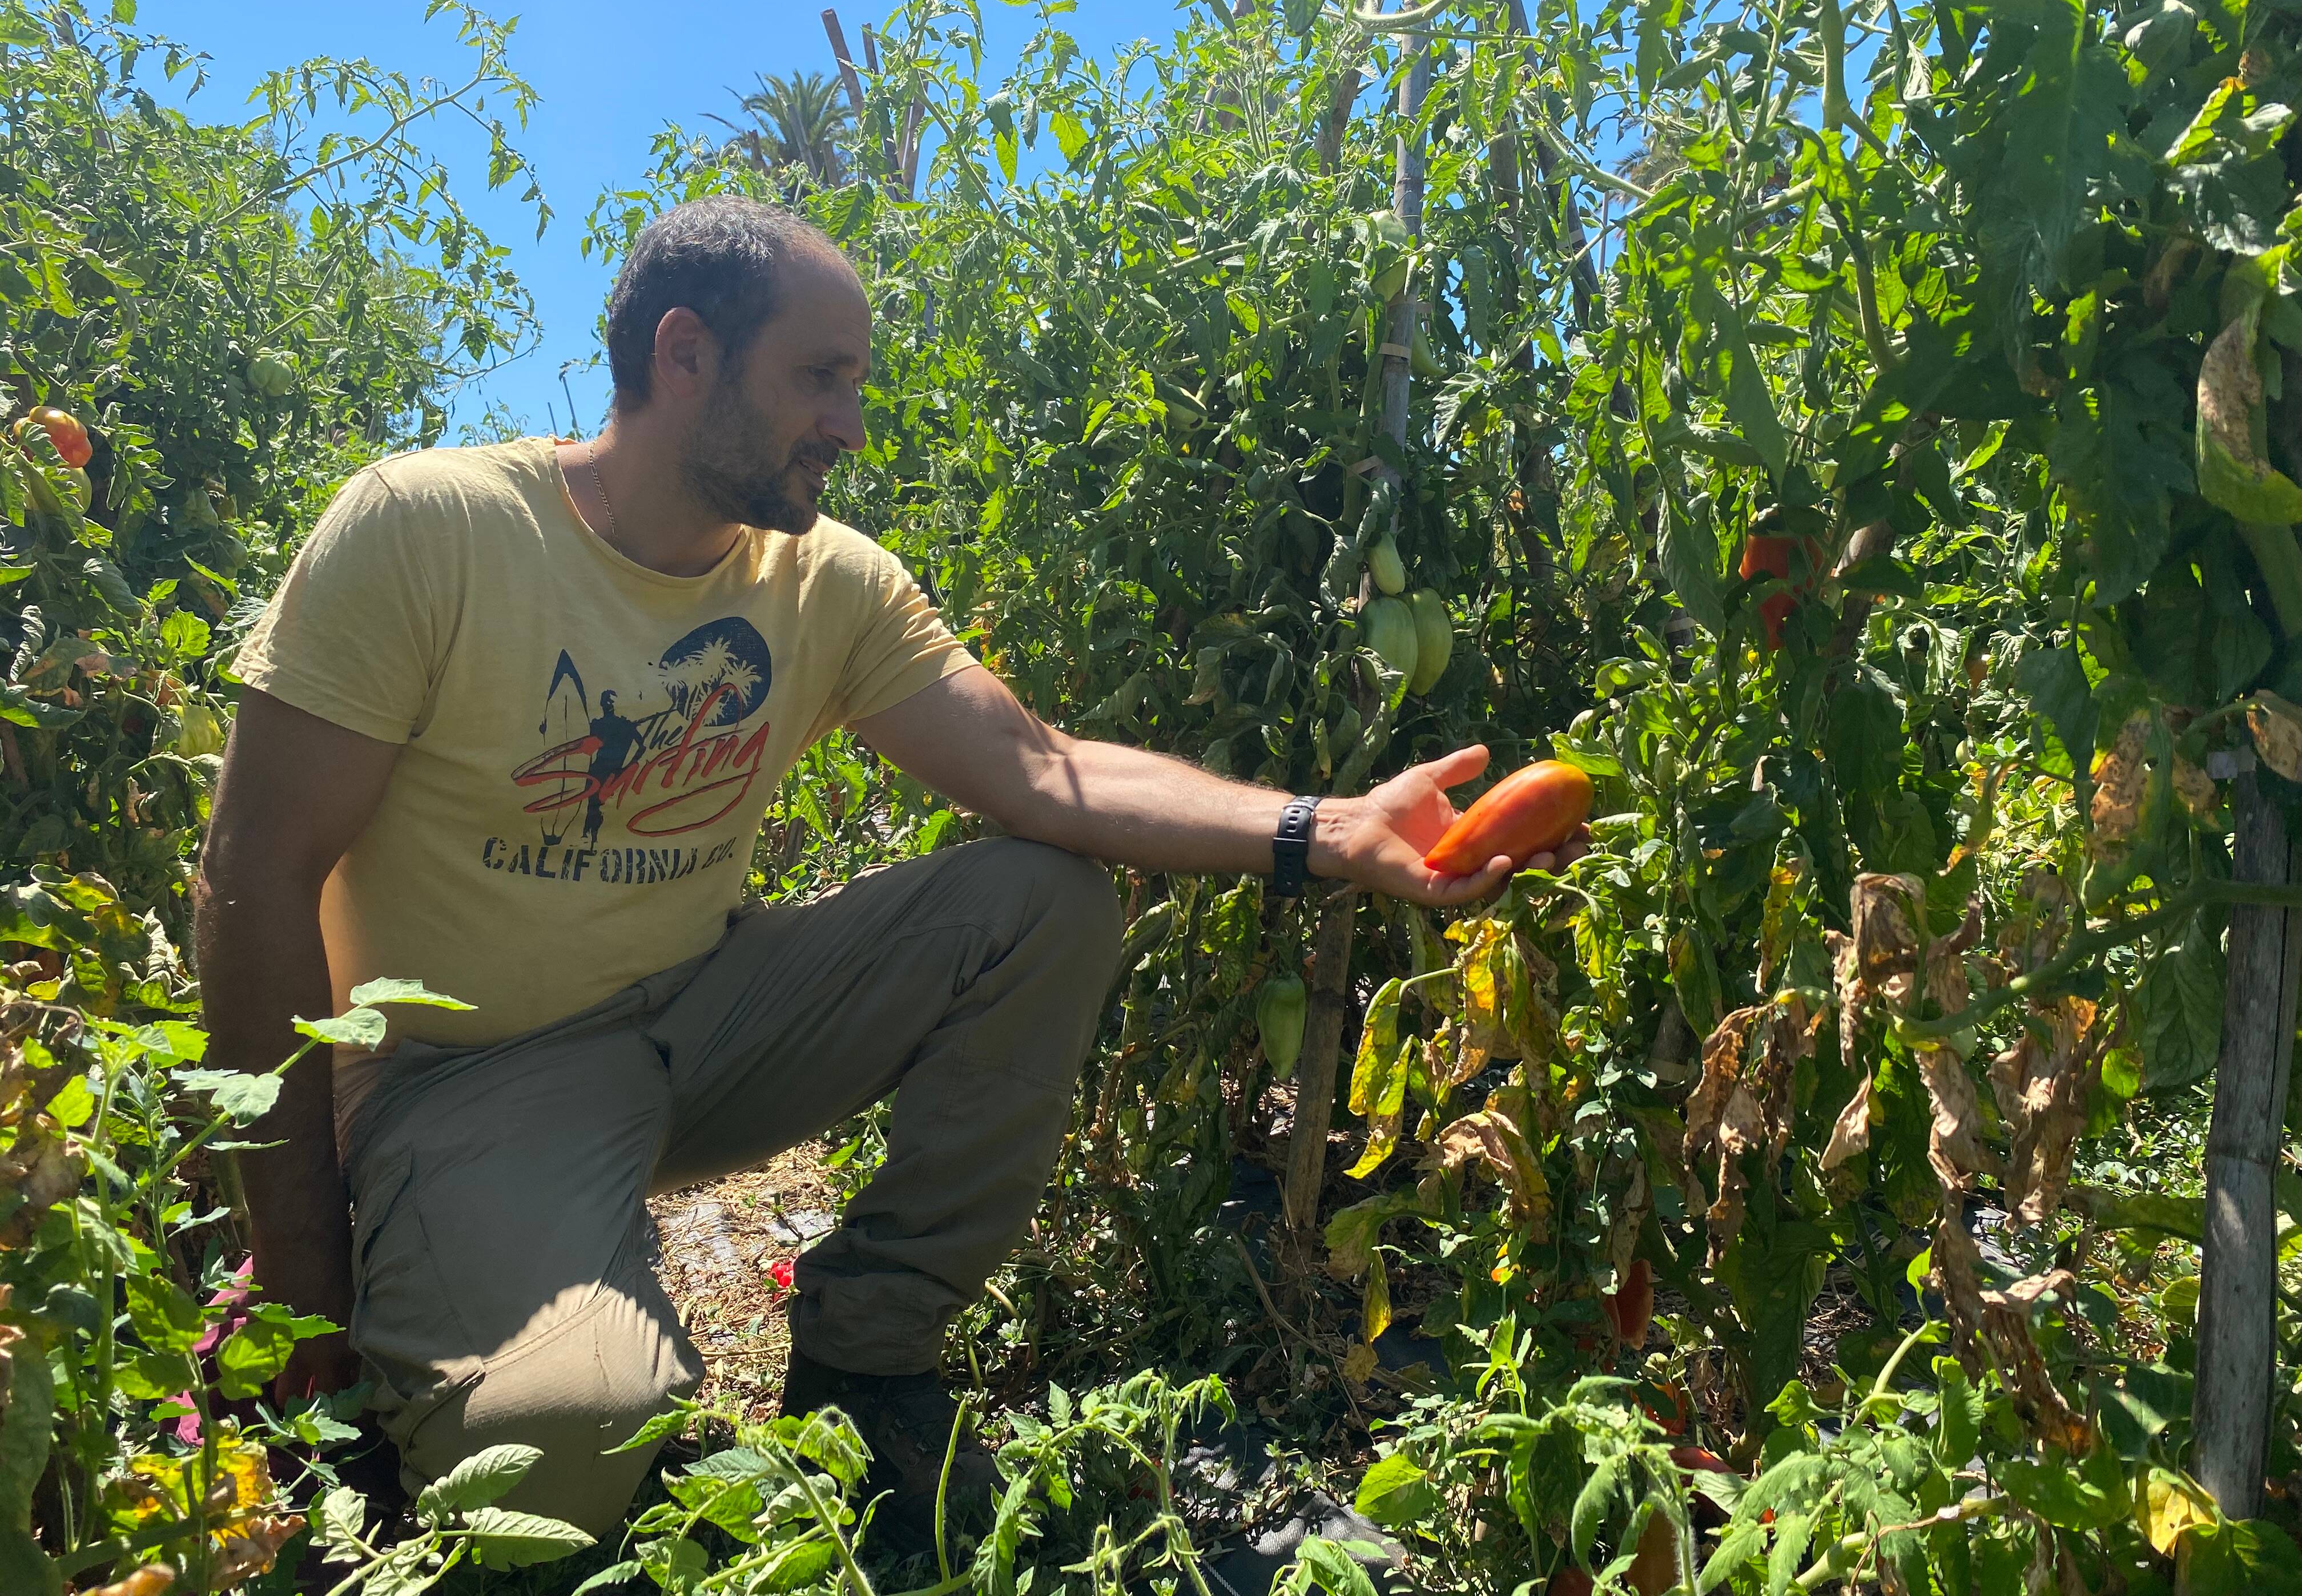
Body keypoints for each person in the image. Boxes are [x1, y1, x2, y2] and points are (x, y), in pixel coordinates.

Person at [194, 196, 1583, 1549]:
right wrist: (299, 1269)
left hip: (702, 1013)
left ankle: (867, 1366)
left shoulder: (824, 584)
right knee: (566, 1446)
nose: (848, 428)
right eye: (819, 380)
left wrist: (1324, 831)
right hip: (467, 1070)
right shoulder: (430, 531)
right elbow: (252, 883)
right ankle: (456, 1293)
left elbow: (1041, 773)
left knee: (1035, 901)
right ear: (684, 356)